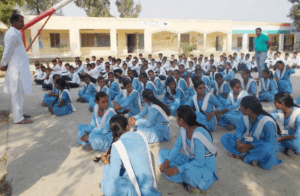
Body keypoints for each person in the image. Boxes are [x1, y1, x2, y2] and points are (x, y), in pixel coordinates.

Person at [157, 105, 218, 192]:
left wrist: (178, 169)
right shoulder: (184, 129)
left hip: (204, 164)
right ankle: (186, 179)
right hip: (192, 160)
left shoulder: (198, 134)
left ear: (181, 120)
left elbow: (200, 162)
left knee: (199, 180)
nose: (176, 118)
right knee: (162, 153)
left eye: (177, 116)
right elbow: (177, 147)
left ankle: (188, 178)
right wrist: (167, 161)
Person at [100, 114, 161, 196]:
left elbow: (113, 177)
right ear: (127, 127)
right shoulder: (140, 134)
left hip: (136, 189)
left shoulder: (117, 146)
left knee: (107, 185)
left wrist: (106, 163)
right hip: (148, 185)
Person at [221, 96, 282, 170]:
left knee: (267, 150)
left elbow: (270, 143)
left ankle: (244, 156)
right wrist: (238, 142)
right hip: (250, 139)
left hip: (262, 144)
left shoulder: (267, 123)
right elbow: (239, 130)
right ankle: (251, 156)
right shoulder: (245, 116)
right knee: (225, 137)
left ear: (248, 110)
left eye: (241, 106)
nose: (240, 108)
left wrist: (249, 146)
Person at [0, 13, 33, 124]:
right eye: (21, 22)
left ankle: (19, 113)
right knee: (16, 93)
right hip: (16, 69)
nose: (23, 24)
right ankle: (18, 118)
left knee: (20, 92)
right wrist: (3, 63)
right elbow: (7, 51)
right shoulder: (12, 34)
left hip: (19, 68)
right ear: (14, 22)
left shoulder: (16, 33)